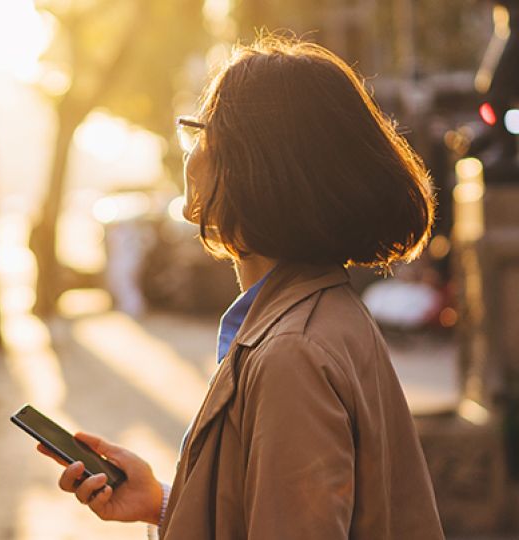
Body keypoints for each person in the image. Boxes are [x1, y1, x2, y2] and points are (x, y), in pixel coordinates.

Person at [36, 34, 445, 539]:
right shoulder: (319, 314)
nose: (191, 153)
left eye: (201, 133)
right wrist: (164, 504)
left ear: (253, 166)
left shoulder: (291, 352)